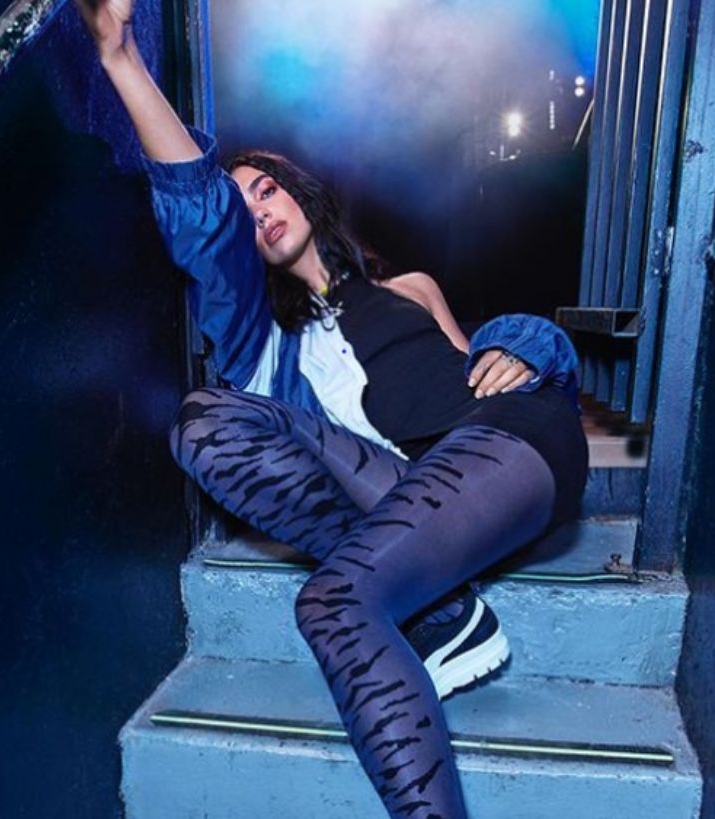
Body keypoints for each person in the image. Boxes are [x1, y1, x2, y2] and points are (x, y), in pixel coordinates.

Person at [75, 2, 587, 816]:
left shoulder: (408, 286)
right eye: (242, 206)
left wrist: (531, 343)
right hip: (406, 490)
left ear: (304, 196)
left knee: (334, 601)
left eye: (267, 188)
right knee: (202, 423)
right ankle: (444, 608)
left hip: (503, 444)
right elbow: (199, 213)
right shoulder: (264, 346)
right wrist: (120, 58)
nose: (259, 208)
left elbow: (476, 360)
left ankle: (429, 617)